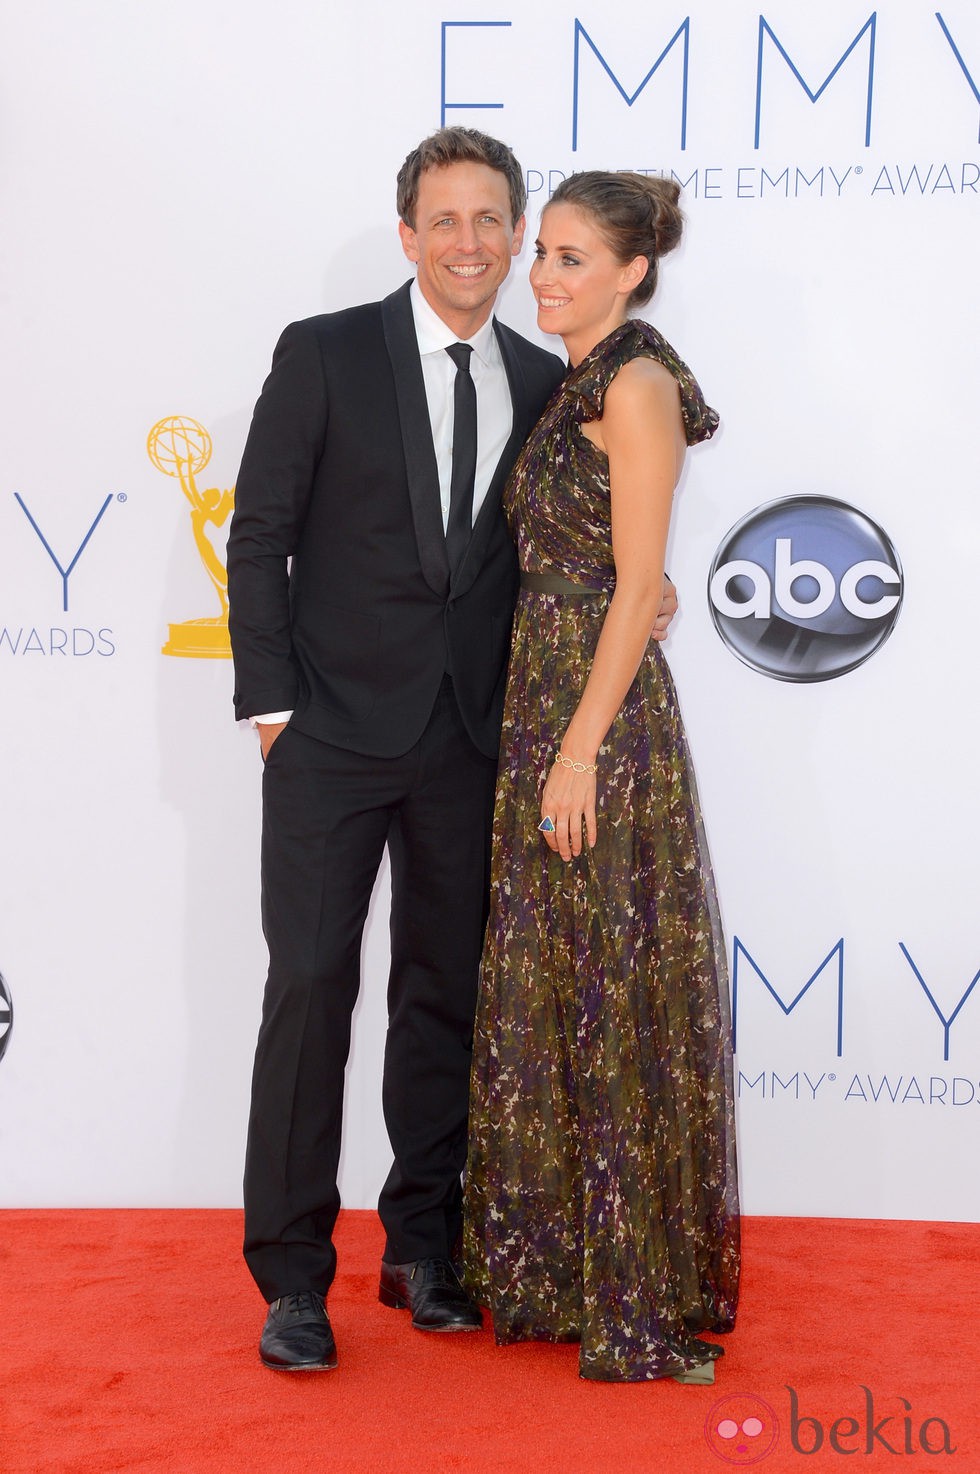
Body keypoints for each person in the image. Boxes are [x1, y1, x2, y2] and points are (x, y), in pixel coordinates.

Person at [226, 128, 679, 1372]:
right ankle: (292, 1278)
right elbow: (257, 534)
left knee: (445, 997)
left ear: (514, 230)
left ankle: (424, 1243)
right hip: (324, 735)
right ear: (407, 233)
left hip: (473, 739)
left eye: (495, 220)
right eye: (447, 220)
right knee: (310, 990)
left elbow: (580, 541)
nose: (473, 244)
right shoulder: (320, 354)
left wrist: (648, 588)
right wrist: (270, 710)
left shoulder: (549, 379)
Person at [463, 171, 740, 1383]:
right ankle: (562, 1266)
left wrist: (577, 748)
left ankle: (631, 1299)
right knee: (555, 979)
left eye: (571, 259)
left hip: (597, 729)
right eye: (544, 255)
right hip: (548, 704)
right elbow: (609, 567)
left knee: (606, 986)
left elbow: (637, 583)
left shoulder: (632, 384)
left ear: (631, 270)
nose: (543, 276)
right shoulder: (579, 375)